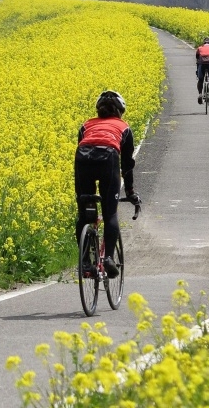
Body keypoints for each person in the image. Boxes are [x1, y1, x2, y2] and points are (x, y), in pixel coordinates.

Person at [74, 90, 140, 278]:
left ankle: (86, 262)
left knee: (85, 213)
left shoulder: (86, 125)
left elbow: (82, 145)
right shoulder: (123, 127)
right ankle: (109, 258)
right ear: (120, 111)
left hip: (83, 159)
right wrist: (130, 191)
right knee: (110, 213)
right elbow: (127, 164)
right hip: (108, 158)